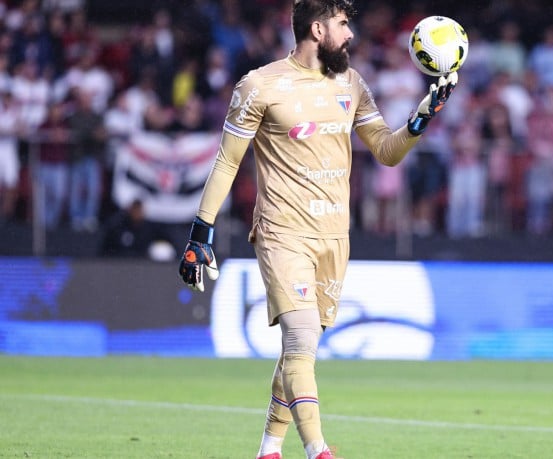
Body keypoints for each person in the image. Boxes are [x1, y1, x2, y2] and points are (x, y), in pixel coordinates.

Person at [176, 1, 457, 458]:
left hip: (333, 236)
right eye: (343, 25)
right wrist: (200, 232)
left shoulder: (350, 82)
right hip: (282, 230)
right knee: (302, 338)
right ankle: (317, 450)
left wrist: (420, 119)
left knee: (298, 352)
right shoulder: (260, 85)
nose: (350, 35)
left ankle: (268, 449)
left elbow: (386, 150)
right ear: (317, 28)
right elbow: (228, 161)